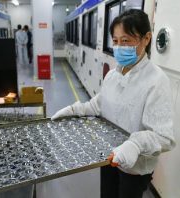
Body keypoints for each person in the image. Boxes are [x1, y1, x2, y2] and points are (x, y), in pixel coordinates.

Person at [51, 9, 175, 198]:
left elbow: (164, 137)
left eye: (126, 41)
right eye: (115, 41)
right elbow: (98, 105)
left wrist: (134, 145)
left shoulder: (157, 81)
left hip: (135, 167)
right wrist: (74, 109)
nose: (119, 47)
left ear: (146, 38)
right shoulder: (112, 75)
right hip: (108, 155)